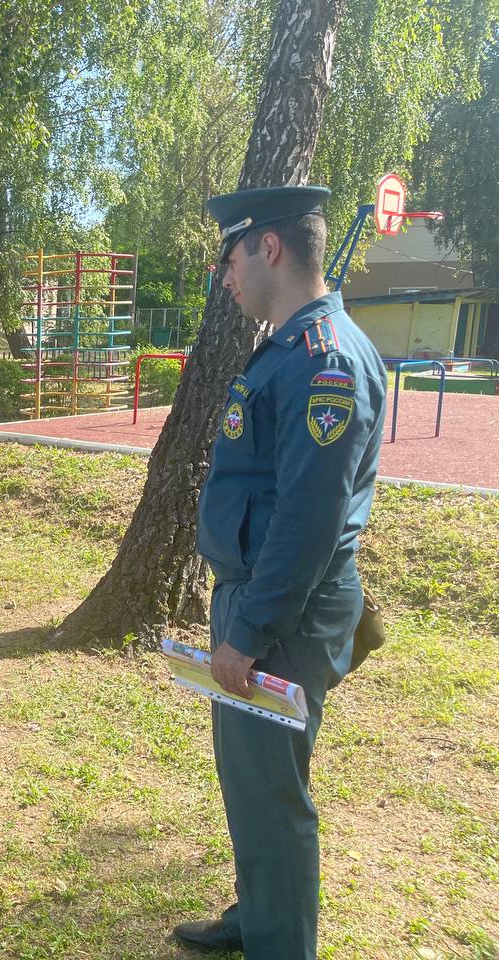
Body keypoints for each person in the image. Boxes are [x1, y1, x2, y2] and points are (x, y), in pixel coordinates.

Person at [174, 186, 386, 959]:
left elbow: (307, 519)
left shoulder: (322, 359)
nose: (224, 277)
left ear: (267, 248)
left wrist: (250, 632)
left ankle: (279, 944)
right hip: (257, 603)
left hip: (280, 621)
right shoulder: (292, 344)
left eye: (229, 258)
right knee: (251, 783)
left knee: (273, 792)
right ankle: (258, 914)